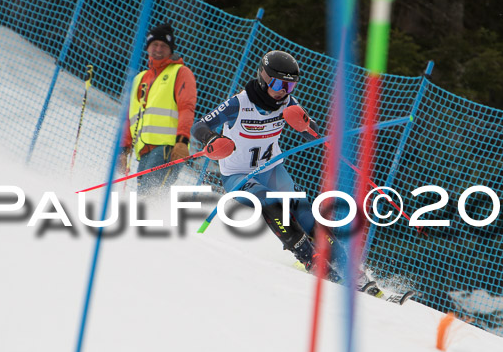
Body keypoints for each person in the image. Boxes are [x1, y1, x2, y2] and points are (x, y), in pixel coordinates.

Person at [191, 50, 348, 282]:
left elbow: (313, 134)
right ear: (264, 78)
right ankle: (309, 259)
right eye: (278, 84)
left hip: (272, 169)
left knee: (303, 211)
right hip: (239, 176)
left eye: (290, 86)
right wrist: (211, 139)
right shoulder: (239, 104)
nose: (284, 92)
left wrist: (308, 128)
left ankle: (349, 268)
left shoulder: (287, 103)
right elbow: (199, 126)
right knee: (268, 200)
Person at [119, 22, 197, 195]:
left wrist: (182, 141)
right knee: (146, 196)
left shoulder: (181, 72)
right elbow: (130, 116)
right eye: (155, 44)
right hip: (144, 150)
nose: (158, 49)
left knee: (148, 195)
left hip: (168, 148)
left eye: (163, 45)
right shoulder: (140, 78)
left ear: (171, 49)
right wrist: (123, 150)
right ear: (148, 47)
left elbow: (186, 108)